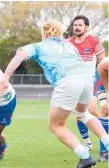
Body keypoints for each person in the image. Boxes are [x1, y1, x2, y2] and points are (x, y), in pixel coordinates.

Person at [0, 20, 109, 168]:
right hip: (87, 81)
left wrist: (5, 78)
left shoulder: (38, 46)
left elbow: (19, 56)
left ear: (44, 33)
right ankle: (107, 142)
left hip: (68, 82)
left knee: (56, 125)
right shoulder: (69, 45)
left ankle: (85, 156)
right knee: (83, 114)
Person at [68, 16, 107, 158]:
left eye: (80, 25)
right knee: (79, 116)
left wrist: (102, 83)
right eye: (75, 25)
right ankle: (88, 143)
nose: (77, 27)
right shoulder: (68, 44)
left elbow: (103, 64)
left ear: (86, 27)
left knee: (94, 111)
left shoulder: (94, 42)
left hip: (91, 81)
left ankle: (104, 139)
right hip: (74, 83)